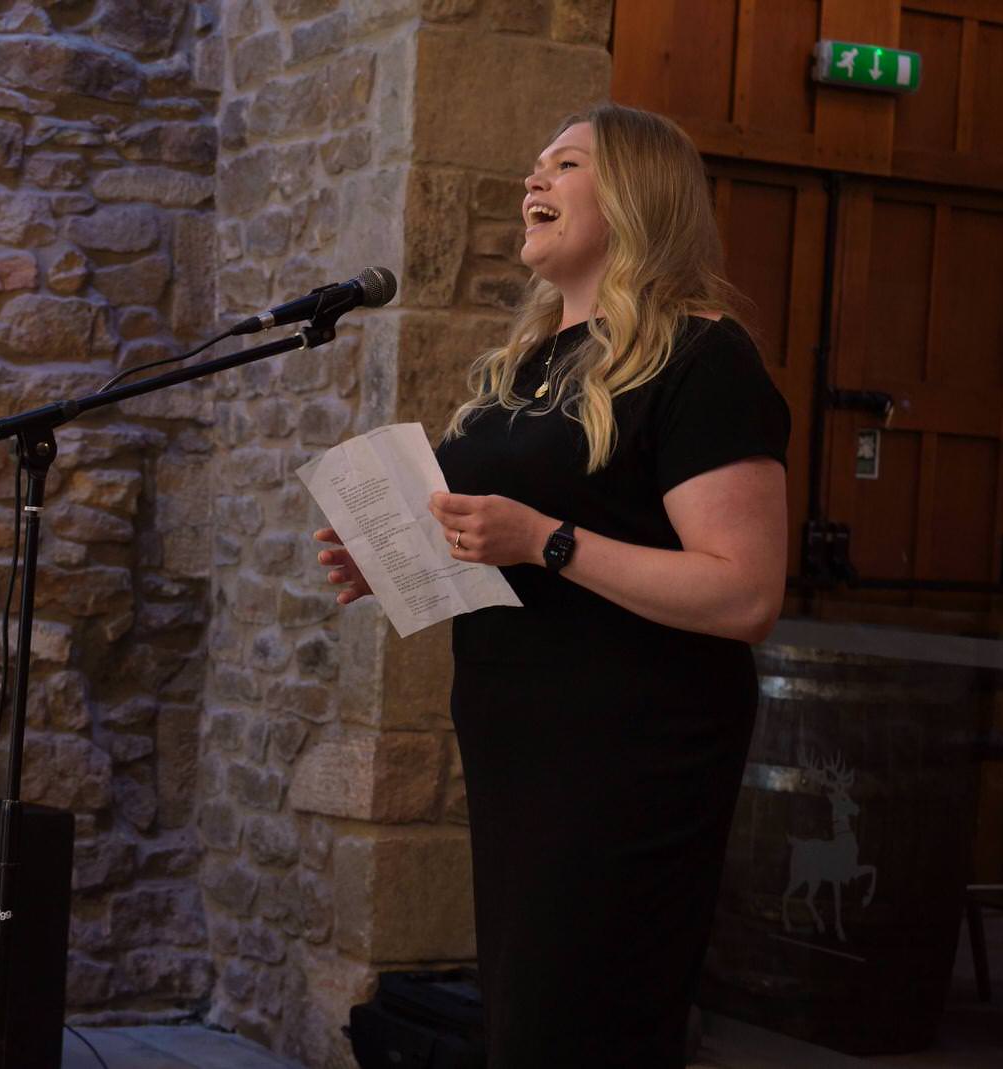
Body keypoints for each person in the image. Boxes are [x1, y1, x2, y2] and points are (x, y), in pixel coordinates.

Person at [316, 103, 790, 1067]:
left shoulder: (704, 360)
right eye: (534, 165)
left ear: (634, 197)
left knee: (584, 1031)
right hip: (519, 742)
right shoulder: (522, 367)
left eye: (564, 165)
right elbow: (486, 530)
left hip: (630, 753)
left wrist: (546, 541)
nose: (532, 182)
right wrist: (398, 548)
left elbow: (745, 595)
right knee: (529, 1027)